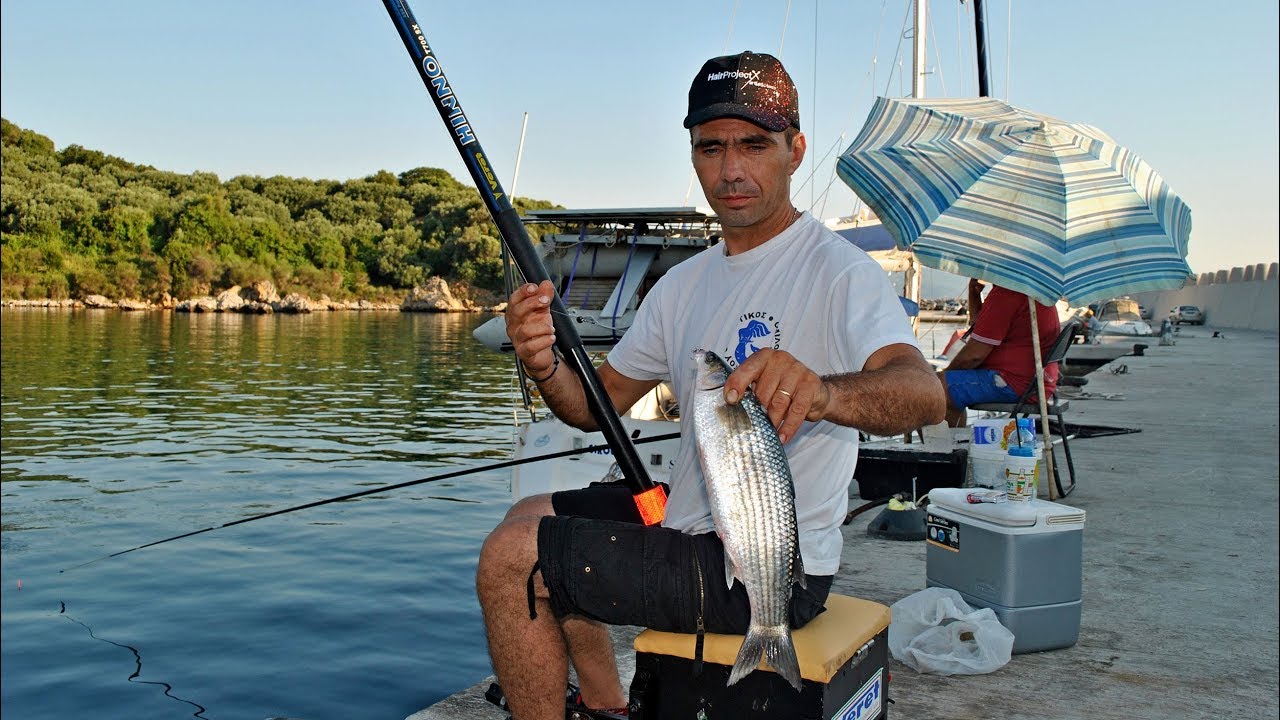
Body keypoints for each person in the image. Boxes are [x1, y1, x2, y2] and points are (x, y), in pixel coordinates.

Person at [476, 50, 946, 720]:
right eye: (711, 148)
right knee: (527, 516)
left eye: (754, 145)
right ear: (693, 154)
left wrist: (825, 394)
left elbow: (923, 393)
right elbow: (595, 407)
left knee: (510, 561)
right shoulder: (682, 285)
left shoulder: (840, 273)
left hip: (772, 571)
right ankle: (608, 706)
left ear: (796, 149)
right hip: (686, 517)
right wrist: (545, 363)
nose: (731, 171)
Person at [936, 279, 1062, 427]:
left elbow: (974, 356)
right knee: (942, 383)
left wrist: (945, 376)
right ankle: (955, 441)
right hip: (1037, 382)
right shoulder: (1032, 289)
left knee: (933, 389)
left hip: (1016, 382)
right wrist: (974, 293)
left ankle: (949, 447)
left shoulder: (1008, 293)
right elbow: (980, 327)